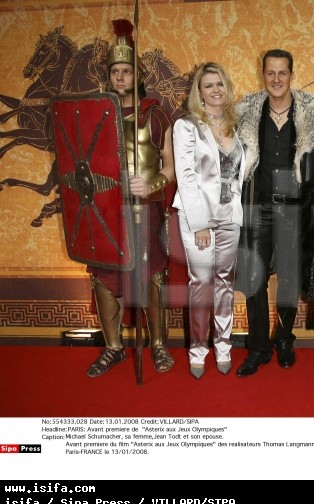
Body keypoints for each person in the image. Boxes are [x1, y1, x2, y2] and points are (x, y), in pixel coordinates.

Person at [86, 19, 175, 377]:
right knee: (104, 276)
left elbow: (170, 167)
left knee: (151, 275)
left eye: (126, 71)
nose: (120, 77)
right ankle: (113, 348)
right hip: (106, 211)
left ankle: (158, 345)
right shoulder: (96, 115)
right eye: (115, 71)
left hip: (144, 208)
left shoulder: (155, 115)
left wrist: (150, 186)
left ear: (137, 75)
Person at [235, 49, 314, 376]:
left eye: (282, 73)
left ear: (291, 75)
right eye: (270, 73)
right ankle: (258, 347)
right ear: (263, 74)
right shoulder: (246, 115)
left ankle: (285, 339)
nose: (276, 79)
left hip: (293, 208)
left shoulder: (312, 116)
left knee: (289, 278)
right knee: (254, 278)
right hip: (258, 205)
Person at [172, 63, 245, 379]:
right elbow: (186, 176)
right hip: (198, 218)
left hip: (230, 217)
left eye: (219, 84)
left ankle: (224, 347)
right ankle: (198, 351)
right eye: (208, 85)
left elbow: (238, 175)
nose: (215, 90)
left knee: (225, 282)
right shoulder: (186, 126)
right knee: (201, 284)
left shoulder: (236, 125)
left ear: (227, 88)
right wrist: (199, 223)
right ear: (199, 93)